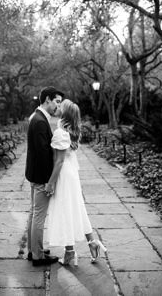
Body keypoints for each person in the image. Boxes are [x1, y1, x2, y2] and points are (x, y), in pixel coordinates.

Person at [45, 99, 107, 266]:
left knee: (66, 210)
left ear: (65, 113)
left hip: (64, 174)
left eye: (60, 107)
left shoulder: (60, 132)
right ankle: (92, 242)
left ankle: (70, 252)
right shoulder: (72, 131)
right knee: (77, 208)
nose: (57, 107)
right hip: (72, 174)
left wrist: (50, 183)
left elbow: (58, 162)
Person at [25, 86, 64, 266]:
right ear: (47, 99)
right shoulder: (40, 120)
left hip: (33, 174)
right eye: (56, 101)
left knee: (34, 214)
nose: (58, 106)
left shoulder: (36, 117)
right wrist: (50, 181)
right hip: (40, 177)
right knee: (39, 216)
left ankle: (34, 250)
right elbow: (43, 155)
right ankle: (38, 256)